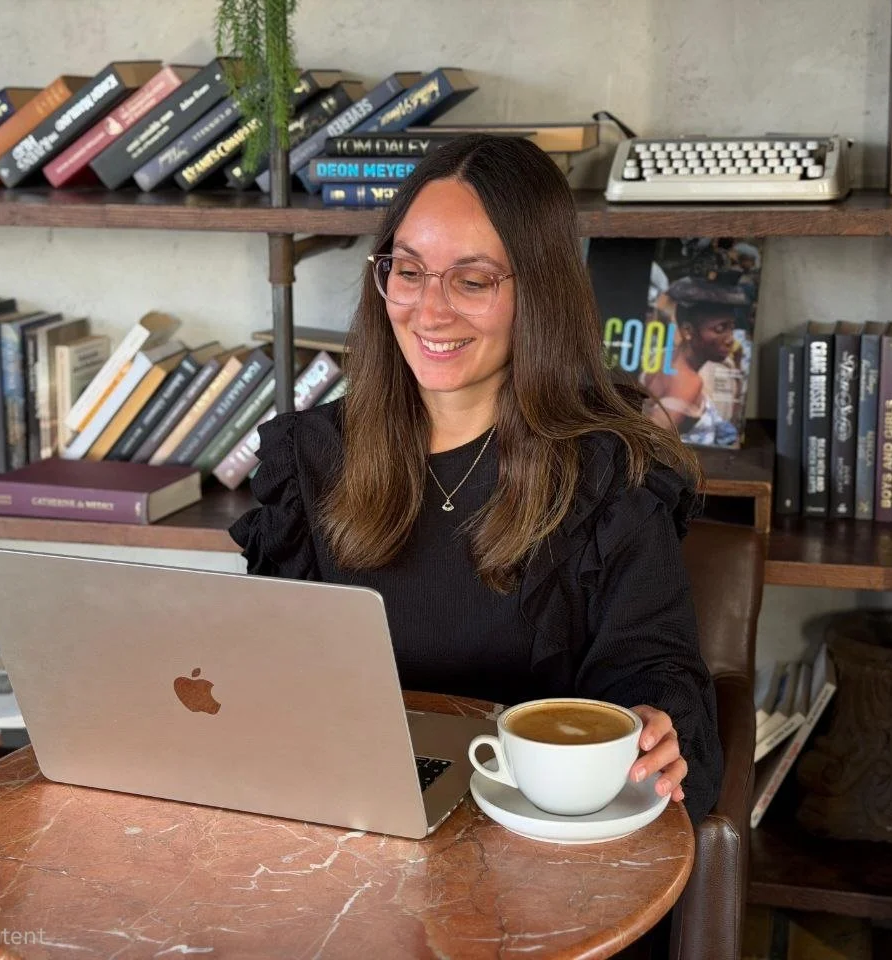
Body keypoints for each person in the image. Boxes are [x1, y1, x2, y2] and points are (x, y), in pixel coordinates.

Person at [229, 134, 723, 825]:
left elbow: (651, 669)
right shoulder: (310, 457)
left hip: (531, 834)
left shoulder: (611, 472)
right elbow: (274, 673)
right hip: (351, 827)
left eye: (473, 280)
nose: (430, 311)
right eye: (409, 271)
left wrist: (650, 723)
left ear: (540, 290)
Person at [640, 275, 748, 447]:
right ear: (688, 331)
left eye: (731, 327)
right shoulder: (689, 382)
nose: (730, 339)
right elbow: (650, 442)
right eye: (720, 329)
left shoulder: (664, 356)